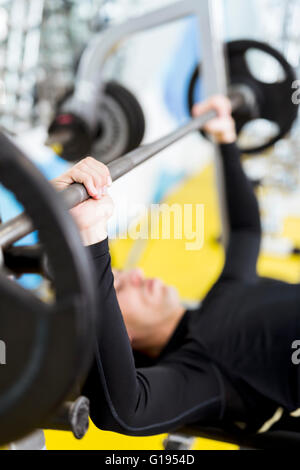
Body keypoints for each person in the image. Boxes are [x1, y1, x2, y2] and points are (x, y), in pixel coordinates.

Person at [53, 96, 300, 436]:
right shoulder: (202, 370)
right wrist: (89, 234)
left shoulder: (225, 295)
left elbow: (245, 232)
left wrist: (225, 139)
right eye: (119, 286)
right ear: (124, 336)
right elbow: (125, 411)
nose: (138, 275)